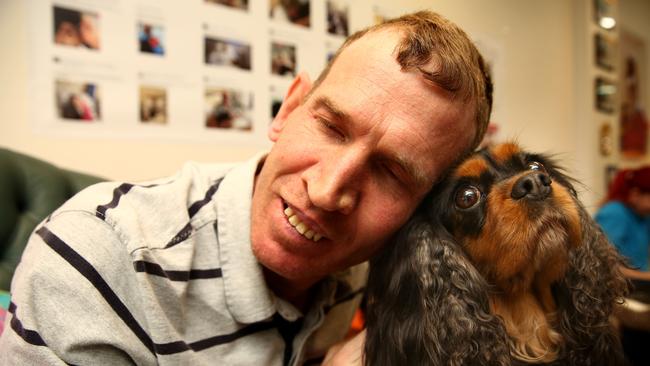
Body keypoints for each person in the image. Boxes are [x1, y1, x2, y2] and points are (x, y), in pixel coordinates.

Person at [0, 11, 492, 365]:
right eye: (330, 127)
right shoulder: (96, 258)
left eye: (390, 173)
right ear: (289, 107)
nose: (326, 192)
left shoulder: (372, 266)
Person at [596, 167, 650, 279]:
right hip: (617, 286)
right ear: (635, 194)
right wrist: (645, 277)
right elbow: (602, 264)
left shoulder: (643, 215)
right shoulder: (615, 213)